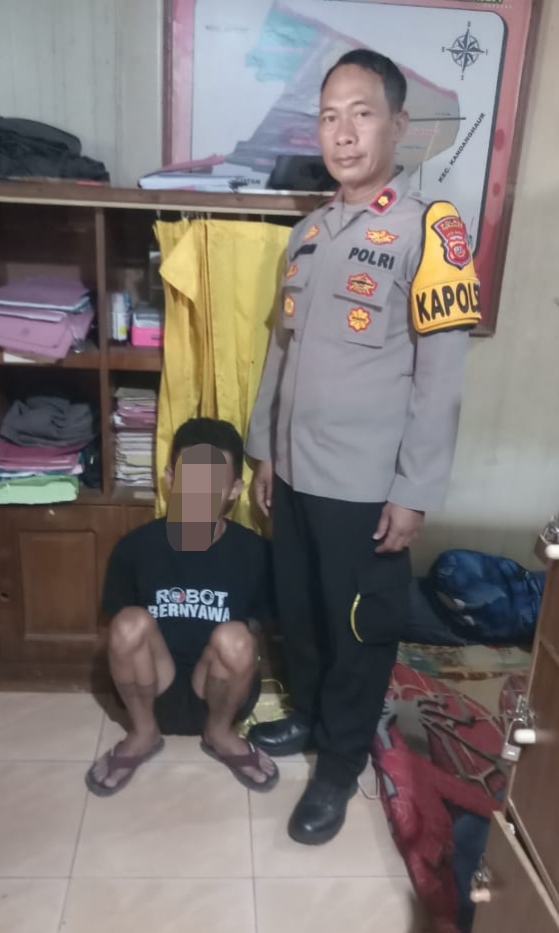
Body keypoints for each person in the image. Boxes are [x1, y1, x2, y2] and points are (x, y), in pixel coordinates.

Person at [246, 49, 480, 845]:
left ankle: (342, 763)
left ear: (398, 124)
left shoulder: (432, 230)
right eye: (328, 116)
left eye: (362, 113)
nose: (342, 133)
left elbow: (441, 379)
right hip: (295, 472)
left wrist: (414, 490)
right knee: (303, 613)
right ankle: (313, 720)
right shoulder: (308, 232)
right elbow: (279, 354)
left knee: (358, 628)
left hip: (366, 484)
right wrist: (264, 450)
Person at [86, 417, 278, 796]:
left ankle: (219, 734)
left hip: (220, 693)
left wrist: (232, 654)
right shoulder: (135, 548)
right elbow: (118, 634)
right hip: (153, 690)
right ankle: (143, 733)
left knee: (237, 636)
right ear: (171, 479)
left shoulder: (255, 553)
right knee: (128, 623)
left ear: (234, 489)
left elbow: (260, 632)